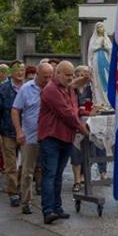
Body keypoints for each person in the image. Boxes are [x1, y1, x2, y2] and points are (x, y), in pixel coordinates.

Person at [38, 61, 91, 224]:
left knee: (58, 175)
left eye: (72, 75)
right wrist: (82, 128)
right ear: (57, 73)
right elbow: (66, 113)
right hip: (51, 137)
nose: (70, 78)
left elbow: (74, 108)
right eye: (67, 75)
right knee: (50, 174)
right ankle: (48, 210)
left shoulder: (67, 88)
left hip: (65, 137)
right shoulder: (51, 90)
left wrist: (87, 112)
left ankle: (57, 207)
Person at [12, 63, 52, 214]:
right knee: (28, 170)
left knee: (48, 170)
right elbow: (15, 110)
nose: (47, 80)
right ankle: (26, 201)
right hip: (30, 135)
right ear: (37, 74)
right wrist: (19, 131)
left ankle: (48, 202)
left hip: (48, 135)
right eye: (45, 77)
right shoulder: (26, 89)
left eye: (50, 77)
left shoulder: (51, 88)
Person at [0, 62, 25, 207]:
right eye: (17, 70)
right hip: (7, 131)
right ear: (11, 72)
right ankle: (13, 192)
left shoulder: (28, 87)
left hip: (26, 131)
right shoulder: (3, 89)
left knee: (26, 163)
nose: (20, 73)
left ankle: (23, 188)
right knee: (10, 164)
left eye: (22, 70)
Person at [70, 65, 101, 193]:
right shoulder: (72, 89)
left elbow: (89, 107)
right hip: (75, 124)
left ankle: (84, 176)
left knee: (89, 152)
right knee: (76, 154)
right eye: (83, 73)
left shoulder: (91, 90)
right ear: (76, 75)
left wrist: (88, 112)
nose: (85, 76)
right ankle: (77, 180)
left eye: (87, 73)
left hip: (88, 123)